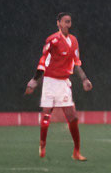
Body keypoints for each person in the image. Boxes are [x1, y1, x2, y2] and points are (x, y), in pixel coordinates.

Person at [25, 12, 92, 161]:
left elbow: (76, 63)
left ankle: (76, 151)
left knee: (72, 118)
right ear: (58, 23)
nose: (68, 24)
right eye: (65, 21)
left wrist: (84, 79)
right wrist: (35, 80)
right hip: (50, 82)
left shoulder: (74, 41)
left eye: (69, 21)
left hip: (64, 83)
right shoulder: (52, 40)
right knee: (47, 115)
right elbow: (44, 60)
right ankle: (42, 144)